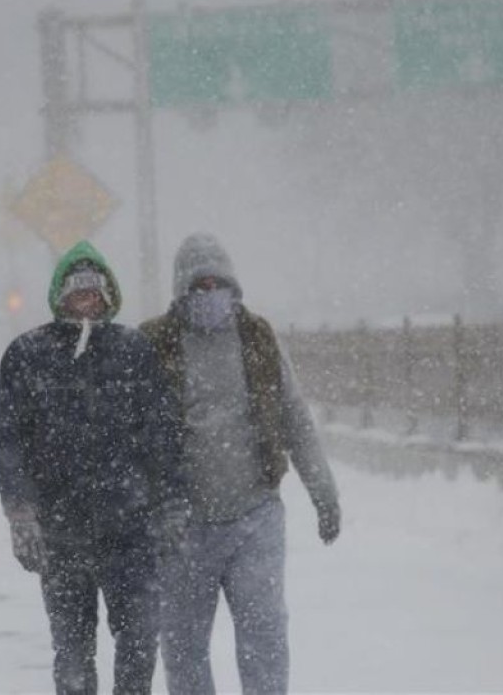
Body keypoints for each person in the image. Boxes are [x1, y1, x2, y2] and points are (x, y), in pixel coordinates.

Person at [139, 233, 341, 695]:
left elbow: (296, 419)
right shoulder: (155, 345)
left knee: (264, 637)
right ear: (181, 293)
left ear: (233, 287)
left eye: (218, 284)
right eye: (199, 286)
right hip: (182, 526)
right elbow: (127, 436)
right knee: (185, 647)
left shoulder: (257, 339)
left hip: (254, 518)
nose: (210, 295)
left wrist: (323, 492)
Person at [0, 240, 189, 695]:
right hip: (61, 536)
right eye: (77, 292)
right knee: (74, 657)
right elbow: (8, 442)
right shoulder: (26, 354)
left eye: (95, 291)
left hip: (131, 532)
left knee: (139, 644)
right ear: (61, 294)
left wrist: (173, 502)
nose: (87, 300)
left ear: (109, 294)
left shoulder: (133, 350)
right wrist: (20, 512)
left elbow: (164, 435)